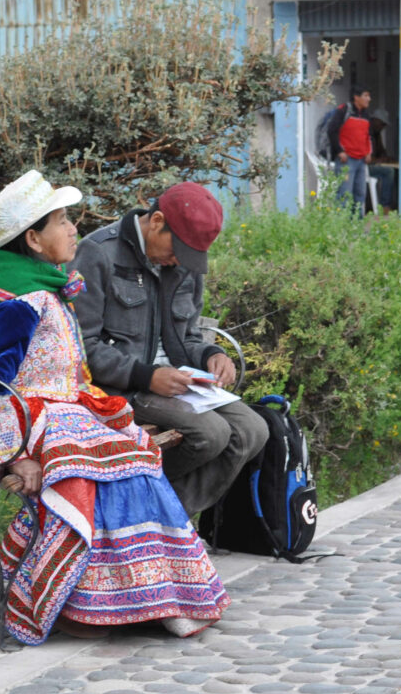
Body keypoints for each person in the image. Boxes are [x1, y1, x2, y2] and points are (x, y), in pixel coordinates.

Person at [0, 170, 229, 646]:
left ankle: (148, 595)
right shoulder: (19, 301)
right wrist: (17, 456)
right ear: (33, 239)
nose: (74, 229)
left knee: (135, 455)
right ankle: (66, 601)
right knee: (83, 464)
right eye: (61, 221)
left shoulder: (46, 288)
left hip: (45, 409)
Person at [69, 182, 268, 521]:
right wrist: (147, 376)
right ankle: (158, 519)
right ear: (157, 221)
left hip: (180, 384)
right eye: (179, 250)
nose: (180, 261)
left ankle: (168, 521)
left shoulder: (183, 262)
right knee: (211, 434)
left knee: (254, 430)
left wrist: (210, 355)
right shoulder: (98, 253)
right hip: (122, 388)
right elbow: (81, 346)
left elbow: (187, 334)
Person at [322, 86, 373, 211]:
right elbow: (331, 131)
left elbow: (368, 136)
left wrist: (368, 152)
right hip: (346, 160)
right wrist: (339, 151)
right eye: (366, 95)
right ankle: (343, 222)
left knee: (360, 194)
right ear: (356, 97)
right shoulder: (344, 111)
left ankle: (357, 221)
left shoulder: (366, 115)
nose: (369, 99)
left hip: (361, 161)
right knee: (344, 194)